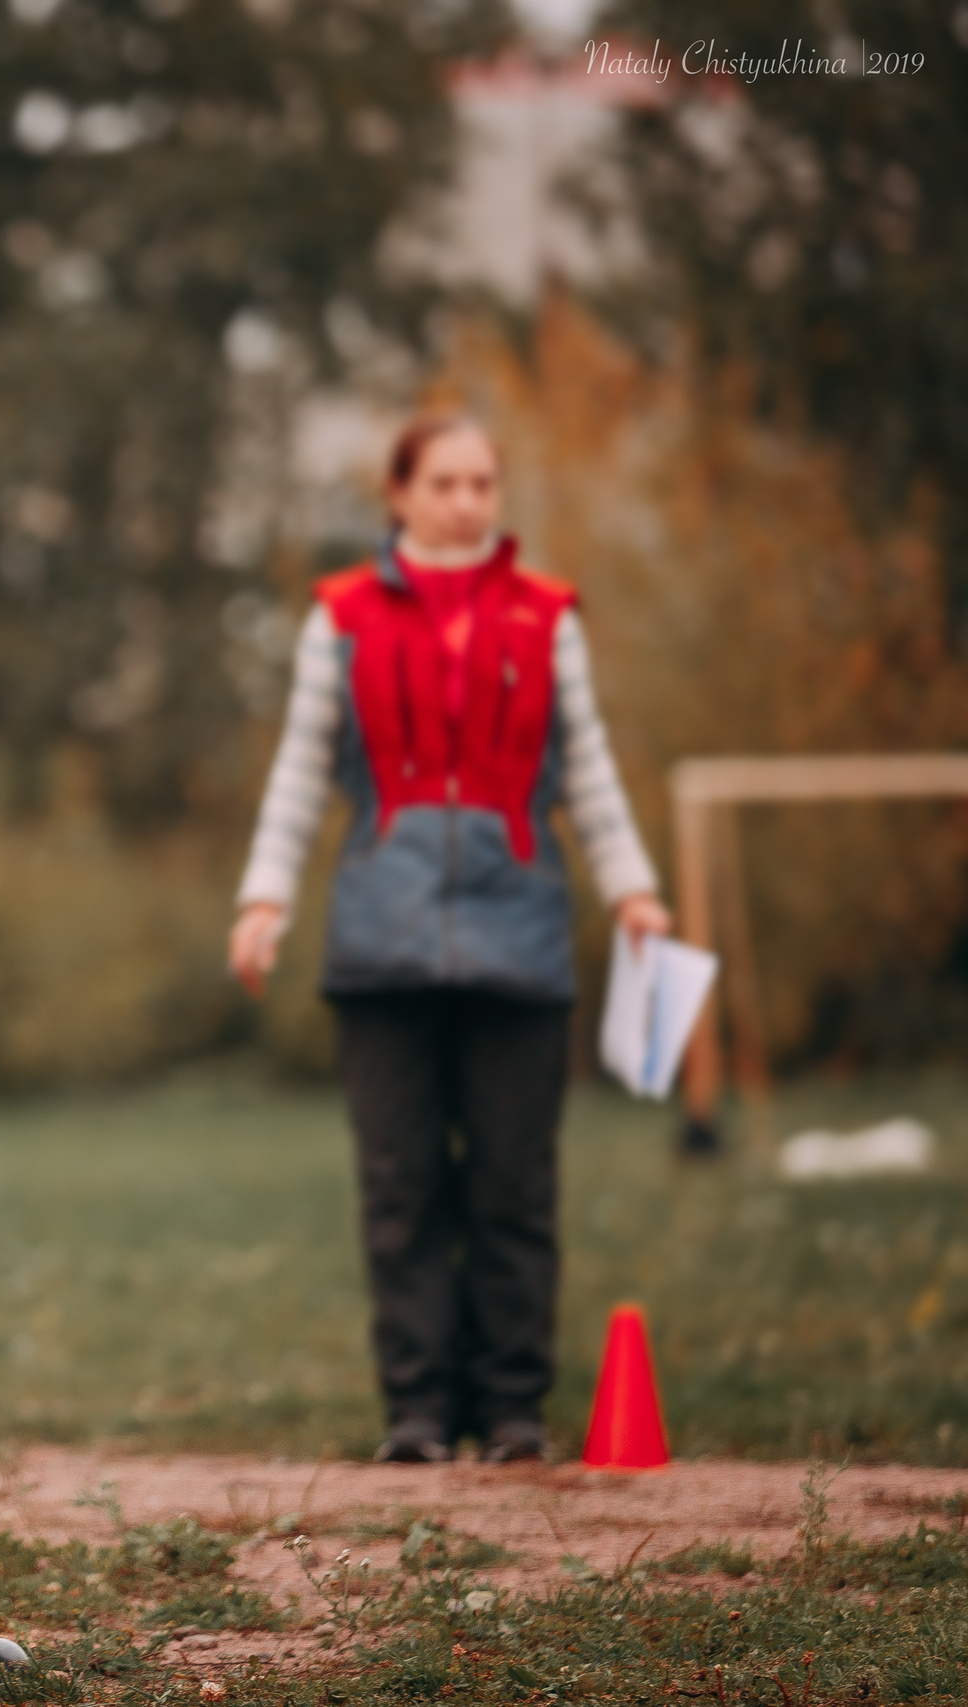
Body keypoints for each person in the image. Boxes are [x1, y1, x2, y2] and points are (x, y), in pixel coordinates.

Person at [226, 414, 671, 1466]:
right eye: (446, 483)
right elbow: (299, 771)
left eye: (483, 483)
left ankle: (515, 1411)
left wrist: (634, 892)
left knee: (516, 1185)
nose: (468, 502)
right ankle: (418, 1414)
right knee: (403, 1186)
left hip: (522, 943)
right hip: (379, 948)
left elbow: (590, 768)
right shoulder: (338, 617)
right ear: (400, 493)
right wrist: (262, 900)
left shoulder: (546, 615)